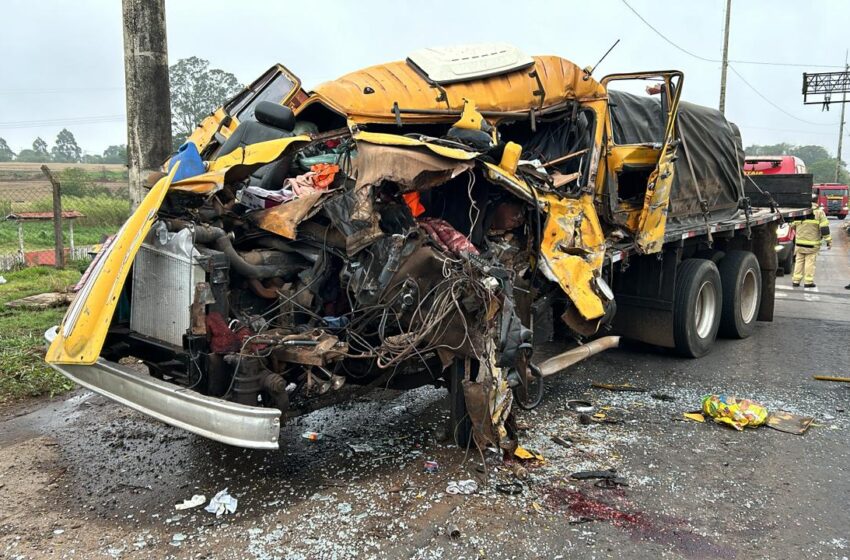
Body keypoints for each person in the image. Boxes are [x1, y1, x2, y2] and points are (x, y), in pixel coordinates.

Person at [791, 204, 831, 288]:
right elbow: (824, 228)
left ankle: (796, 280)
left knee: (799, 261)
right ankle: (808, 282)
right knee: (810, 262)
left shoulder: (800, 212)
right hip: (812, 244)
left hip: (799, 243)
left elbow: (792, 225)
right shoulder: (819, 212)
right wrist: (828, 241)